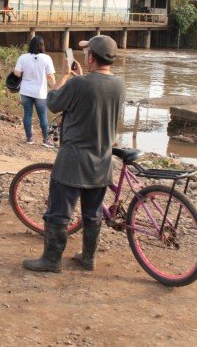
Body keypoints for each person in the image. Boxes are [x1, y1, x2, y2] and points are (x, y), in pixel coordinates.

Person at [22, 35, 125, 274]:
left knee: (58, 213)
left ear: (90, 57)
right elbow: (94, 98)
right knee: (93, 213)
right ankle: (88, 259)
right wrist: (79, 79)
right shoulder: (119, 84)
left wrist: (66, 76)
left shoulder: (78, 84)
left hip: (73, 161)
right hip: (102, 161)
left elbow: (53, 102)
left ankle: (51, 260)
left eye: (86, 51)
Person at [13, 35, 56, 146]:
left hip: (25, 91)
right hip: (40, 92)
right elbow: (50, 76)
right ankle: (46, 140)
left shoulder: (23, 57)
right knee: (43, 116)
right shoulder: (46, 58)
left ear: (30, 45)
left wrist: (25, 73)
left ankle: (29, 138)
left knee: (27, 114)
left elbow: (17, 73)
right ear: (42, 46)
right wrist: (55, 87)